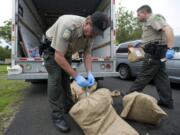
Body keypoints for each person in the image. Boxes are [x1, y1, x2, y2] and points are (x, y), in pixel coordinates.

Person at [43, 12, 109, 132]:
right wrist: (77, 76)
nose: (94, 35)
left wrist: (89, 73)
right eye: (94, 31)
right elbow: (58, 56)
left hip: (66, 53)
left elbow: (87, 54)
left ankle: (68, 106)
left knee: (65, 80)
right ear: (88, 23)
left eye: (97, 34)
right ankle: (57, 116)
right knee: (56, 79)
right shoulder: (69, 25)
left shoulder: (91, 34)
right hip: (52, 51)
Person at [126, 5, 175, 109]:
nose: (137, 17)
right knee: (161, 77)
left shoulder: (153, 18)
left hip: (154, 54)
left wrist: (170, 48)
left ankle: (129, 97)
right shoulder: (148, 23)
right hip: (158, 53)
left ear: (144, 13)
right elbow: (153, 38)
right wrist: (141, 44)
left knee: (144, 75)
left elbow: (168, 29)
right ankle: (166, 101)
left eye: (138, 14)